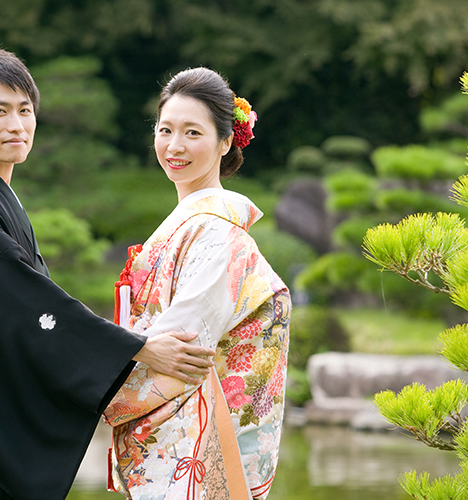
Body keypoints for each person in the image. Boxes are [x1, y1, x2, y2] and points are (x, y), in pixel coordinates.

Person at [0, 49, 215, 500]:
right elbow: (29, 306)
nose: (17, 125)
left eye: (25, 110)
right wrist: (139, 348)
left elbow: (26, 307)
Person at [103, 68, 291, 500]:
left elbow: (178, 349)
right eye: (165, 130)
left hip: (198, 442)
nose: (175, 146)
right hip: (180, 440)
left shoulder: (218, 234)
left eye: (192, 132)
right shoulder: (193, 226)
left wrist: (76, 376)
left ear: (226, 142)